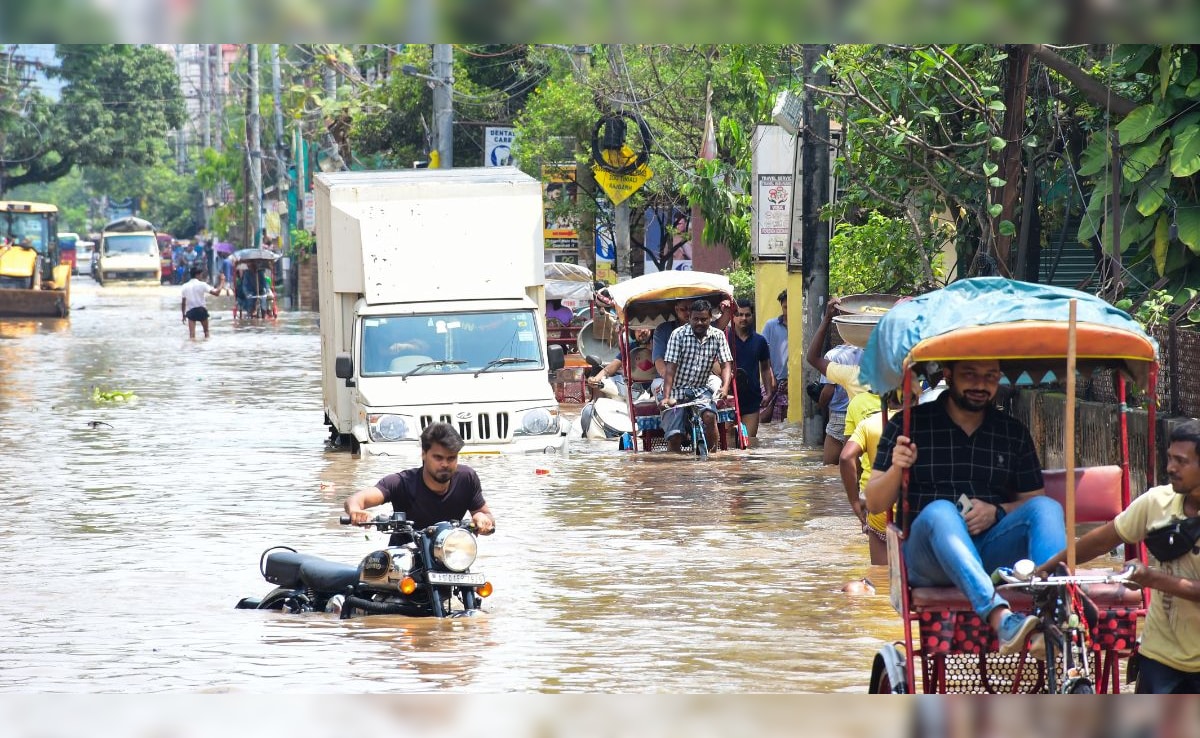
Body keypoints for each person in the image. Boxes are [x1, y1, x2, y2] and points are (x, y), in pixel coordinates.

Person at [865, 359, 1067, 655]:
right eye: (970, 375)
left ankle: (1054, 615)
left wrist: (996, 512)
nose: (980, 385)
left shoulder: (1012, 432)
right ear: (948, 374)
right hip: (928, 557)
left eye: (989, 377)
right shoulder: (908, 425)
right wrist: (897, 467)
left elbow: (1031, 501)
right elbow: (874, 502)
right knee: (940, 511)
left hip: (989, 549)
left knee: (1047, 507)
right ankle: (1002, 619)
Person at [1037, 420, 1200, 693]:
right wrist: (1048, 569)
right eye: (1170, 458)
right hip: (1159, 655)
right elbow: (1104, 539)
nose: (1171, 467)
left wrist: (1150, 578)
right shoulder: (1156, 502)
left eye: (1181, 461)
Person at [343, 422, 496, 545]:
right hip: (404, 556)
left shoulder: (467, 478)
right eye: (438, 457)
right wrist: (356, 511)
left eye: (451, 458)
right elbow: (356, 499)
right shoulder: (401, 483)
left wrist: (483, 519)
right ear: (423, 453)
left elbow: (486, 515)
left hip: (450, 554)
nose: (445, 464)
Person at [661, 299, 733, 454]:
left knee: (709, 416)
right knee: (674, 436)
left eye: (704, 319)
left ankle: (713, 457)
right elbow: (670, 369)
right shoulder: (678, 335)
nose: (699, 322)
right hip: (676, 389)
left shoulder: (718, 335)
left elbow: (726, 364)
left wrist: (725, 387)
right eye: (696, 319)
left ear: (710, 319)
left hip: (701, 389)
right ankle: (675, 465)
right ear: (689, 318)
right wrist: (666, 397)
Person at [806, 299, 870, 463]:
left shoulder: (853, 375)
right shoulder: (901, 376)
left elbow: (813, 358)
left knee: (832, 469)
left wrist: (827, 319)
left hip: (842, 419)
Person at [730, 298, 775, 440]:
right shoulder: (724, 338)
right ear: (733, 316)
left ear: (752, 316)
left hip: (752, 399)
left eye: (747, 315)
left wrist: (768, 393)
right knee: (729, 443)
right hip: (729, 398)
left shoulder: (760, 341)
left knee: (748, 442)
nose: (743, 318)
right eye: (739, 314)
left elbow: (765, 368)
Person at [587, 327, 653, 400]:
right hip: (631, 385)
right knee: (597, 368)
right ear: (633, 332)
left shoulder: (657, 346)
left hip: (651, 387)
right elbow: (613, 366)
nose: (642, 331)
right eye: (638, 328)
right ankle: (597, 400)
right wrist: (596, 379)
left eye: (645, 327)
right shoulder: (630, 347)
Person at [760, 290, 788, 423]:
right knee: (764, 416)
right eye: (785, 307)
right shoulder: (771, 325)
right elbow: (763, 353)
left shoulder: (803, 326)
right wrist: (771, 376)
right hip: (774, 380)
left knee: (786, 419)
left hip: (791, 383)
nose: (788, 311)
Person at [180, 266, 224, 339]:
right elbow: (216, 293)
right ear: (197, 275)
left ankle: (192, 349)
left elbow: (183, 303)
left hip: (191, 312)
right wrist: (222, 281)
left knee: (192, 336)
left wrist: (183, 315)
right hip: (201, 310)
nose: (201, 276)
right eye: (201, 274)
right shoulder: (202, 284)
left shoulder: (184, 286)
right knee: (206, 332)